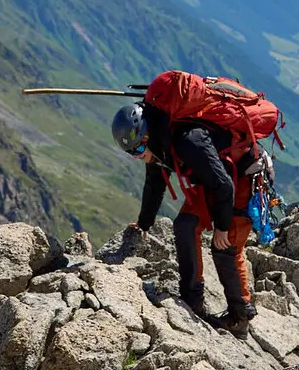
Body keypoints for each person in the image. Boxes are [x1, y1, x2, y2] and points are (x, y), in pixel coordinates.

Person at [112, 74, 269, 337]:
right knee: (185, 225)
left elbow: (224, 186)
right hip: (214, 179)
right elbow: (155, 184)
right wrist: (144, 224)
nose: (138, 157)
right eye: (132, 153)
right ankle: (192, 300)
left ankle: (240, 316)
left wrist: (221, 226)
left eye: (138, 150)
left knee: (225, 246)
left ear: (147, 135)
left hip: (242, 177)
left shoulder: (187, 140)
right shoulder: (159, 144)